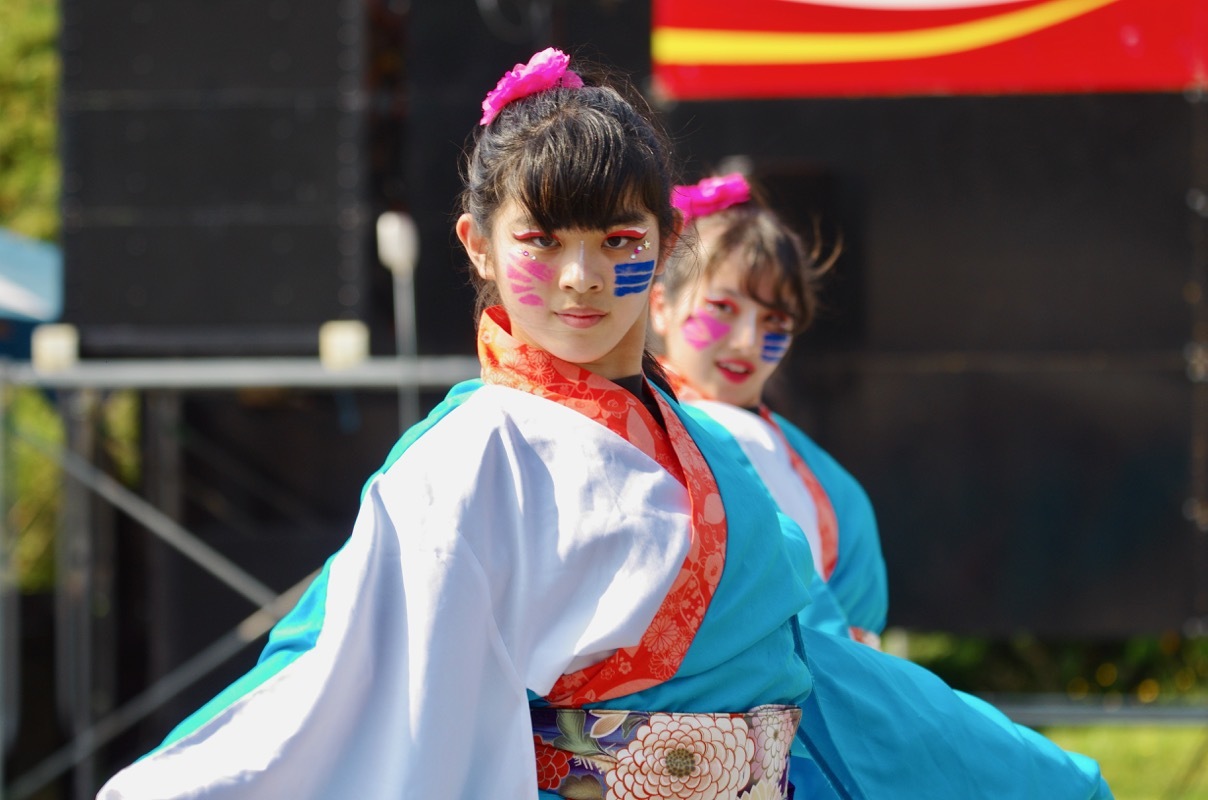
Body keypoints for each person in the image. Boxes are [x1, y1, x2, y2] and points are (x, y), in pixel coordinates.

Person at [97, 49, 1111, 799]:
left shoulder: (719, 450)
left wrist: (1037, 775)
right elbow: (343, 695)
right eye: (541, 240)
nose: (581, 278)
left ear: (661, 244)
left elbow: (837, 679)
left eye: (616, 239)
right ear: (479, 245)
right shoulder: (466, 459)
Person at [651, 172, 886, 646]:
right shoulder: (728, 430)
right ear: (661, 305)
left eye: (774, 320)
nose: (747, 341)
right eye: (722, 307)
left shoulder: (750, 437)